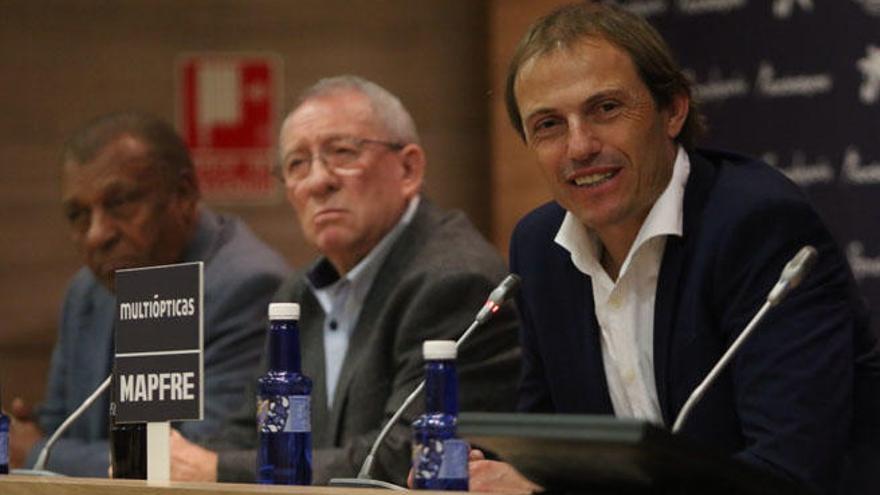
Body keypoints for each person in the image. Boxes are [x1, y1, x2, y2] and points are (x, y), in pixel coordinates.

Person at [468, 3, 880, 495]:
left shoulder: (756, 226)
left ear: (673, 110)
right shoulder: (540, 249)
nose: (579, 147)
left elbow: (787, 472)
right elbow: (548, 443)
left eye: (605, 109)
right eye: (549, 125)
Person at [168, 75, 521, 486]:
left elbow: (403, 456)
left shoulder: (456, 280)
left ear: (409, 168)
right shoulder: (298, 294)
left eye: (342, 152)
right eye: (297, 164)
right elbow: (251, 429)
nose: (318, 181)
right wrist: (179, 460)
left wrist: (214, 469)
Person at [8, 112, 291, 477]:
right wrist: (31, 433)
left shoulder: (246, 286)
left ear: (184, 194)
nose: (97, 235)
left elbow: (199, 457)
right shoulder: (87, 291)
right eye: (78, 214)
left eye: (120, 203)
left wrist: (35, 451)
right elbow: (63, 424)